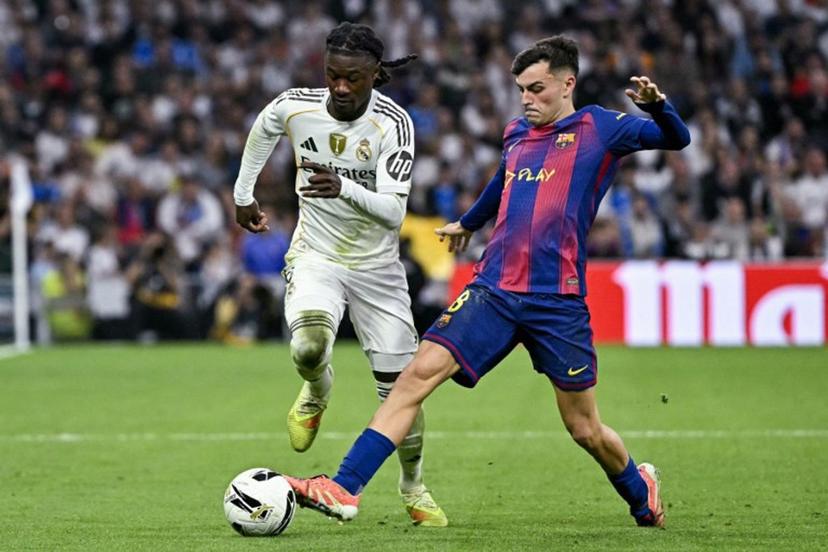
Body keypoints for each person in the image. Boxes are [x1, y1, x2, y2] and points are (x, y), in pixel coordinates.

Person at [284, 36, 691, 528]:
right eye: (521, 88)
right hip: (493, 290)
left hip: (556, 301)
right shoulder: (517, 133)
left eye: (537, 88)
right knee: (414, 378)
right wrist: (470, 222)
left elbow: (677, 138)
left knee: (584, 428)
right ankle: (343, 488)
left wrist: (659, 106)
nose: (526, 98)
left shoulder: (601, 128)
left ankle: (638, 489)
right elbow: (504, 181)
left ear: (568, 84)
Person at [232, 22, 447, 527]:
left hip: (378, 268)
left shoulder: (393, 124)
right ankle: (317, 389)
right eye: (333, 76)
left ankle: (413, 486)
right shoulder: (297, 105)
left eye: (353, 78)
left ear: (375, 74)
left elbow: (395, 213)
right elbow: (264, 130)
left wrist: (344, 187)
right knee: (308, 347)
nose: (341, 88)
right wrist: (243, 195)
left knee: (401, 390)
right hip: (317, 254)